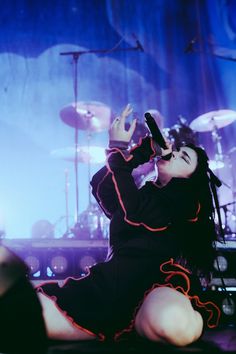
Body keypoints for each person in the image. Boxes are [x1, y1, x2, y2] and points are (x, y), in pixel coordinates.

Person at [0, 104, 222, 350]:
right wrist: (134, 151)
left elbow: (134, 212)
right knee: (18, 310)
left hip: (152, 285)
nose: (175, 153)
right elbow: (102, 188)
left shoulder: (186, 204)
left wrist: (118, 150)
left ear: (191, 180)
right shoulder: (146, 194)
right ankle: (123, 327)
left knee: (172, 324)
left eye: (184, 157)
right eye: (177, 150)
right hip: (109, 287)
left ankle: (192, 314)